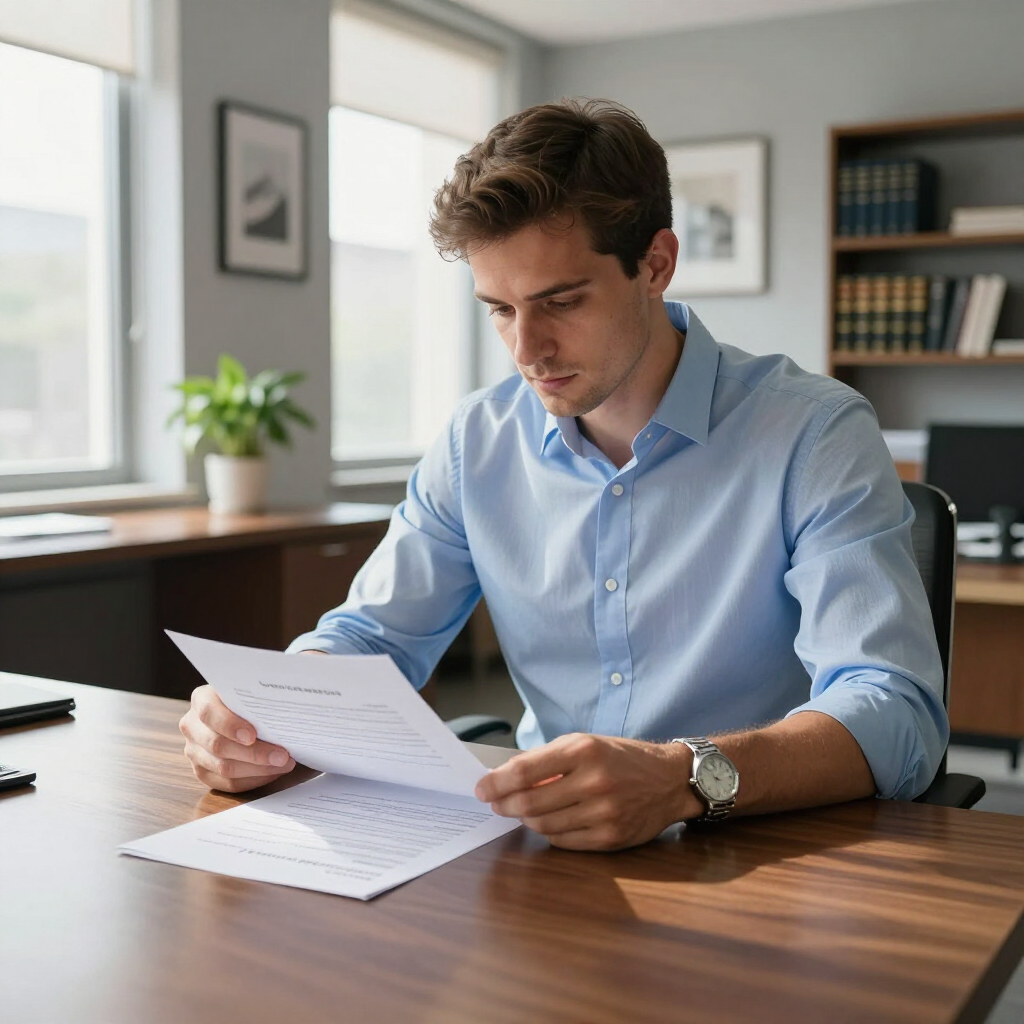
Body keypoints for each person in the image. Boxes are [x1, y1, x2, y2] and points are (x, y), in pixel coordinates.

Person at [179, 99, 948, 851]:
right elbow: (372, 634)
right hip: (545, 852)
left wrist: (680, 778)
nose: (527, 349)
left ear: (656, 264)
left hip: (763, 852)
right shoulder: (474, 442)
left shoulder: (814, 433)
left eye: (560, 301)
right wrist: (268, 711)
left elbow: (894, 711)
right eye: (500, 309)